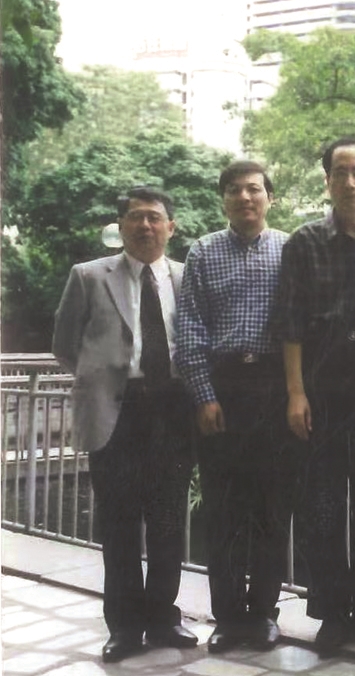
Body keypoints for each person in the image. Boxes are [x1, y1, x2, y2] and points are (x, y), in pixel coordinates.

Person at [52, 187, 197, 663]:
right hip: (117, 412)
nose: (145, 226)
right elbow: (64, 345)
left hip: (173, 410)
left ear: (171, 227)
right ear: (121, 226)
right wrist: (103, 384)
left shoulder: (187, 276)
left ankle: (163, 618)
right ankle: (125, 627)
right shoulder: (89, 275)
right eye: (136, 217)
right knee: (118, 524)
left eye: (155, 217)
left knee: (168, 521)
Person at [275, 139, 355, 655]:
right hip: (320, 388)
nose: (350, 182)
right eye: (340, 173)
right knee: (320, 503)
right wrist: (295, 393)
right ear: (327, 181)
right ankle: (329, 611)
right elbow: (290, 323)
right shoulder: (304, 241)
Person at [176, 160, 295, 653]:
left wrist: (296, 391)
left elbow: (301, 326)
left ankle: (264, 613)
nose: (245, 198)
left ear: (270, 197)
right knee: (223, 510)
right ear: (223, 199)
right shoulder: (203, 251)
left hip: (275, 385)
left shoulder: (291, 249)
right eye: (234, 190)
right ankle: (227, 617)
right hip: (222, 385)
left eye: (254, 189)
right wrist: (204, 395)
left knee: (272, 506)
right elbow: (189, 327)